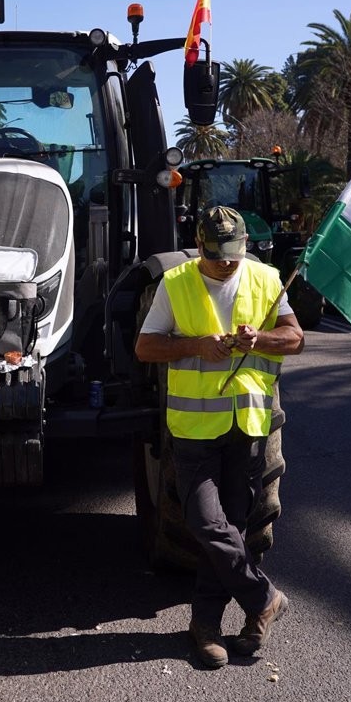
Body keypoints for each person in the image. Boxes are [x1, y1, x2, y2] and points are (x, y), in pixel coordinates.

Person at [134, 206, 304, 669]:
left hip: (249, 426)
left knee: (235, 528)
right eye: (216, 256)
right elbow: (146, 347)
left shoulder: (267, 279)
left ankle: (206, 626)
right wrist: (196, 344)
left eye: (233, 255)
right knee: (206, 522)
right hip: (193, 430)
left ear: (245, 244)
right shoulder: (177, 283)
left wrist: (260, 340)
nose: (226, 264)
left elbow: (295, 339)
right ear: (200, 244)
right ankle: (264, 598)